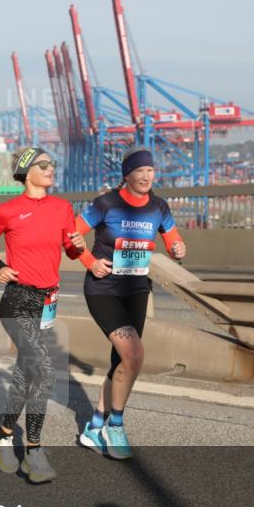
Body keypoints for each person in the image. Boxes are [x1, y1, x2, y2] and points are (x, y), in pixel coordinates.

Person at [0, 147, 85, 483]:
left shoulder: (63, 208)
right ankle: (34, 452)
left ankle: (2, 435)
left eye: (52, 163)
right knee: (47, 373)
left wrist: (78, 245)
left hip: (48, 301)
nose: (51, 168)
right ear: (27, 173)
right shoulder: (9, 210)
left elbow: (68, 249)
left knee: (27, 373)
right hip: (17, 300)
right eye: (43, 164)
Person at [74, 147, 186, 459]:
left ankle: (94, 425)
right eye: (141, 171)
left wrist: (178, 249)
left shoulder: (159, 207)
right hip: (104, 289)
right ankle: (116, 424)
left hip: (136, 290)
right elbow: (69, 233)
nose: (148, 176)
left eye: (151, 170)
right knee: (134, 352)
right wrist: (89, 261)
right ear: (127, 174)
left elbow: (173, 241)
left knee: (122, 361)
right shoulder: (106, 203)